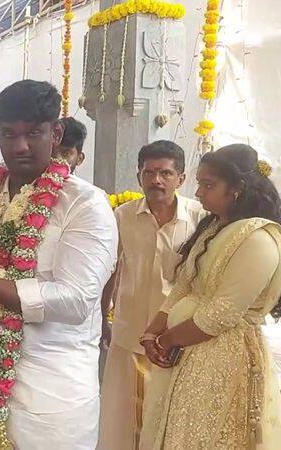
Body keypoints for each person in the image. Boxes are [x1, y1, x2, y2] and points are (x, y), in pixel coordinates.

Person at [0, 80, 118, 449]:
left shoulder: (86, 206)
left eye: (33, 133)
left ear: (56, 133)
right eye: (10, 134)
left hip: (53, 394)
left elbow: (76, 301)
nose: (21, 146)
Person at [140, 144, 281, 449]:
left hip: (220, 357)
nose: (199, 193)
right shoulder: (215, 226)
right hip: (184, 350)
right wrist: (152, 331)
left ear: (237, 189)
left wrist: (166, 340)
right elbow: (183, 286)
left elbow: (221, 315)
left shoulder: (258, 239)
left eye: (208, 185)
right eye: (200, 184)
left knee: (203, 436)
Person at [98, 140, 207, 450]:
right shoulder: (122, 216)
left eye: (165, 173)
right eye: (149, 173)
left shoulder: (199, 218)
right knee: (120, 418)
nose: (156, 180)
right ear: (139, 177)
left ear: (181, 178)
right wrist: (102, 315)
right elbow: (110, 269)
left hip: (178, 335)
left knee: (169, 415)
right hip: (128, 329)